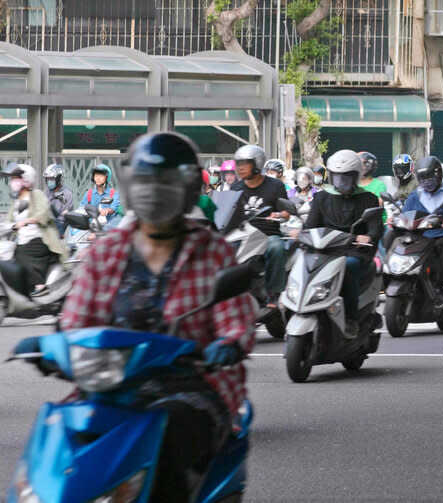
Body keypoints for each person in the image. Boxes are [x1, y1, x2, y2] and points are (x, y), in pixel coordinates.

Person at [47, 132, 256, 502]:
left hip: (192, 386)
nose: (154, 192)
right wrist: (55, 344)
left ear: (188, 188)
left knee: (171, 427)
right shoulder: (107, 250)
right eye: (145, 182)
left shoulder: (212, 252)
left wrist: (227, 344)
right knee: (60, 432)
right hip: (112, 383)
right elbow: (78, 318)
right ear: (130, 186)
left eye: (166, 183)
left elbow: (234, 321)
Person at [304, 150, 382, 338]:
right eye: (337, 176)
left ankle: (351, 319)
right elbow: (310, 226)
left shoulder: (368, 198)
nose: (341, 180)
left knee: (348, 266)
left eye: (346, 176)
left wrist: (368, 237)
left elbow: (375, 227)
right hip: (326, 250)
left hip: (355, 252)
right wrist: (301, 235)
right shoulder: (321, 197)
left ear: (356, 176)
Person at [393, 156, 443, 285]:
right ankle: (393, 276)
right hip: (420, 238)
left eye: (430, 177)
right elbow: (405, 215)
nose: (427, 182)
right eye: (422, 178)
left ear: (439, 174)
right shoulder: (415, 196)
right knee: (393, 238)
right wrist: (396, 220)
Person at [230, 145, 289, 304]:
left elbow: (287, 213)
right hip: (242, 236)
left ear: (257, 163)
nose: (240, 168)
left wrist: (278, 214)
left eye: (245, 163)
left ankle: (273, 293)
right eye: (238, 164)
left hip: (267, 236)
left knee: (276, 247)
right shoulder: (236, 187)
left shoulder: (275, 186)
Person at [2, 164, 69, 295]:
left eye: (16, 178)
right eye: (12, 179)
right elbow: (8, 222)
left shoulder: (36, 194)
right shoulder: (16, 201)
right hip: (23, 240)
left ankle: (40, 285)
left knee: (23, 252)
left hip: (41, 239)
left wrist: (26, 221)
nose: (13, 182)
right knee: (10, 253)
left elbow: (43, 212)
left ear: (26, 179)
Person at [43, 163, 74, 235]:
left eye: (52, 179)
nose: (49, 181)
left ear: (59, 178)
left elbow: (63, 216)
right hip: (45, 225)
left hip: (59, 227)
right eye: (48, 179)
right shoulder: (46, 192)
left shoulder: (67, 194)